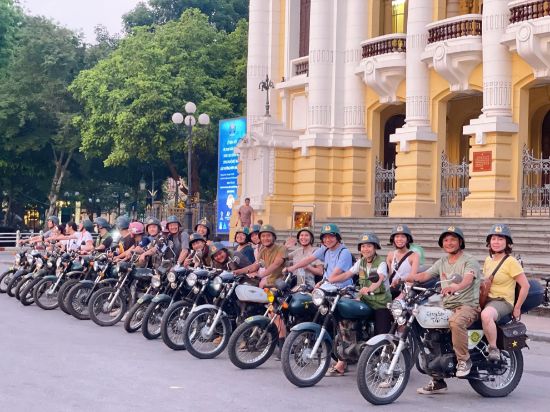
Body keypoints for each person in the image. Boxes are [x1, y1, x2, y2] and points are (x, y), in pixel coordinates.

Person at [408, 226, 481, 394]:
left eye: (453, 239)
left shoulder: (469, 260)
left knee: (455, 322)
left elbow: (468, 280)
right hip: (446, 306)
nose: (449, 243)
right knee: (430, 332)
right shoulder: (442, 262)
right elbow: (425, 275)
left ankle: (464, 360)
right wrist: (405, 278)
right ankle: (437, 380)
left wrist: (457, 286)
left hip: (467, 306)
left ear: (460, 242)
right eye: (446, 240)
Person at [481, 224, 530, 362]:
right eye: (494, 238)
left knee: (486, 315)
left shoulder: (511, 262)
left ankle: (493, 348)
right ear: (489, 242)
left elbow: (525, 286)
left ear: (507, 243)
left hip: (503, 301)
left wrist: (517, 307)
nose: (496, 242)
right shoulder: (488, 260)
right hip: (487, 299)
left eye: (500, 239)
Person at [328, 231, 392, 333]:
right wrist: (329, 280)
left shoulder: (381, 263)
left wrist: (369, 288)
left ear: (375, 247)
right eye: (363, 246)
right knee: (349, 314)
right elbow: (347, 274)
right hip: (365, 300)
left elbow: (379, 279)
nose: (365, 249)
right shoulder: (361, 262)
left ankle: (382, 348)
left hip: (380, 303)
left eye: (369, 246)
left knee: (381, 334)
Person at [386, 224, 419, 298]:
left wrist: (400, 297)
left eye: (403, 236)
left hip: (406, 289)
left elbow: (412, 279)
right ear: (393, 239)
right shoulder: (390, 255)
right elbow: (387, 276)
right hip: (391, 289)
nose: (399, 239)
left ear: (407, 239)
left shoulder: (414, 256)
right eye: (397, 236)